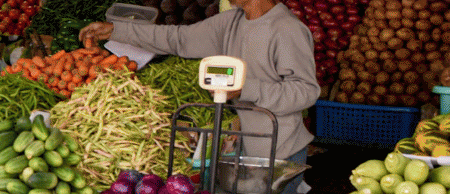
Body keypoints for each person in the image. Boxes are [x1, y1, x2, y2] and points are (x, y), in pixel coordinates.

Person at [79, 0, 319, 162]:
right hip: (241, 149)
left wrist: (245, 89)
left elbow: (305, 91)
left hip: (279, 152)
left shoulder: (287, 29)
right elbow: (179, 38)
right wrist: (116, 30)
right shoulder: (231, 21)